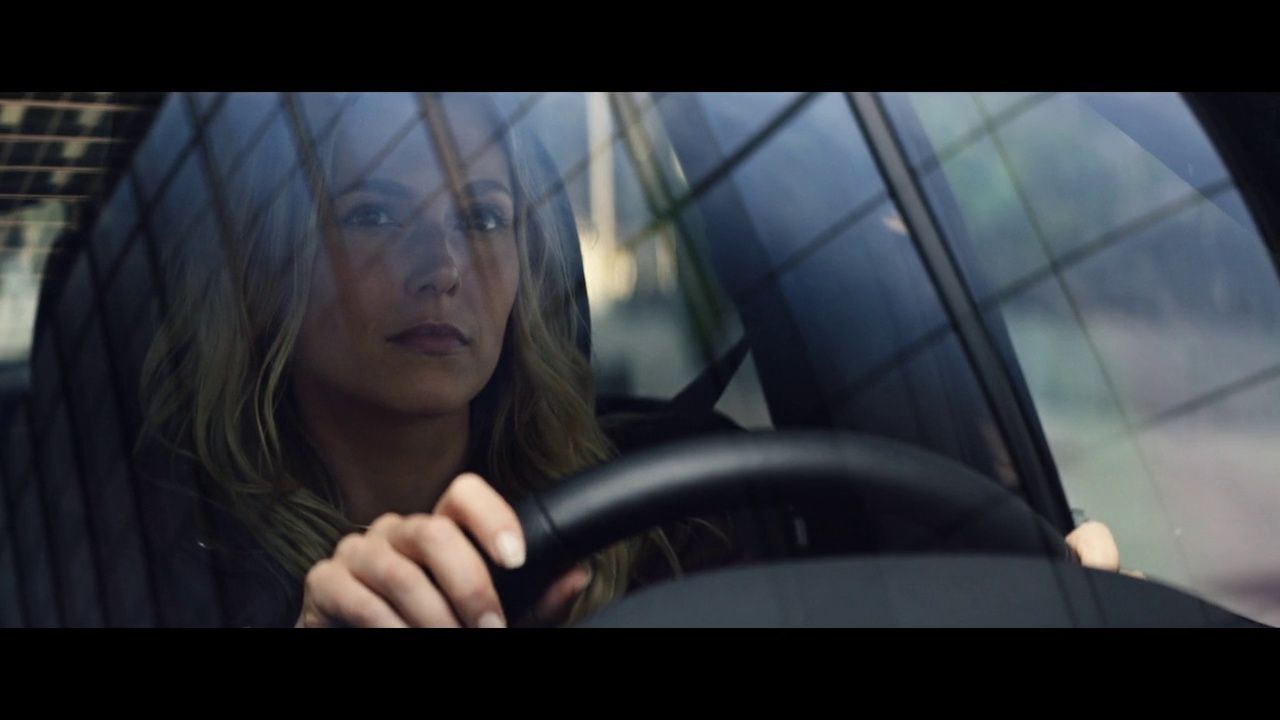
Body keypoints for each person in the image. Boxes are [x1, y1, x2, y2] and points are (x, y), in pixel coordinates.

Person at [138, 92, 1129, 628]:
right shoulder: (161, 560)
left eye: (482, 218)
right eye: (372, 213)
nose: (441, 264)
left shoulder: (674, 515)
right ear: (266, 268)